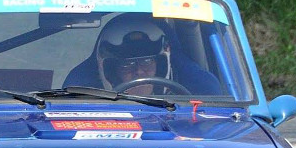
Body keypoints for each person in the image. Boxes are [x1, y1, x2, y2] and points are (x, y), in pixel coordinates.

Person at [63, 15, 222, 96]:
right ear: (111, 71)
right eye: (127, 65)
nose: (139, 71)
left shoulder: (197, 105)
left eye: (146, 62)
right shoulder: (84, 104)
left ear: (160, 66)